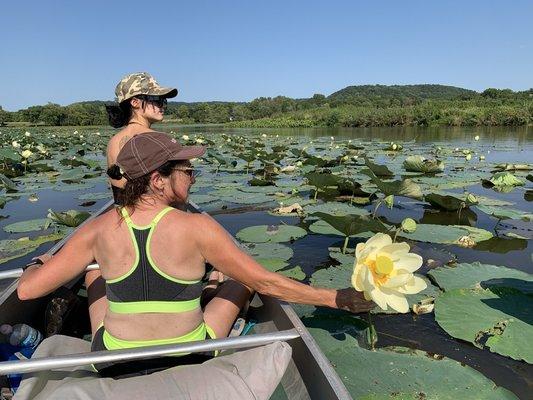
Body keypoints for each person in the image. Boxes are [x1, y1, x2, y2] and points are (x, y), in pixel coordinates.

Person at [17, 132, 374, 377]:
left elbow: (27, 292)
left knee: (95, 274)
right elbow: (266, 281)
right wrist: (336, 297)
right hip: (190, 353)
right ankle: (210, 288)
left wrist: (40, 262)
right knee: (240, 281)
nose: (193, 177)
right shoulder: (197, 226)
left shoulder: (97, 229)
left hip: (114, 359)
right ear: (158, 180)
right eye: (187, 171)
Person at [105, 71, 177, 205]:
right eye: (156, 100)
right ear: (135, 102)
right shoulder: (160, 140)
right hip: (157, 215)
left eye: (163, 100)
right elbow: (176, 190)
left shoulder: (112, 142)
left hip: (124, 215)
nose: (162, 105)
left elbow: (119, 189)